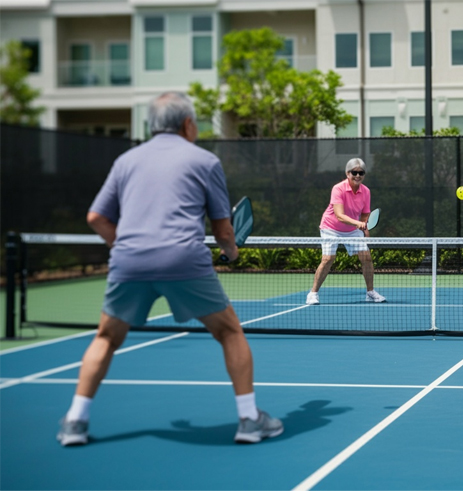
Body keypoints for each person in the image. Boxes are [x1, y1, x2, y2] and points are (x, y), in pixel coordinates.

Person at [57, 92, 283, 447]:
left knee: (105, 337)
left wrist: (124, 247)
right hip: (182, 260)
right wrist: (232, 252)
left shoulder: (126, 160)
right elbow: (223, 231)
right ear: (187, 125)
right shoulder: (204, 160)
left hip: (128, 262)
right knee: (229, 333)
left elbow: (96, 218)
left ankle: (74, 422)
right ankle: (250, 419)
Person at [306, 158, 386, 305]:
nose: (357, 175)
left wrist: (364, 228)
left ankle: (370, 292)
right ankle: (313, 293)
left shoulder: (366, 191)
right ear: (347, 173)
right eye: (354, 172)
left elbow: (365, 213)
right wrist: (359, 224)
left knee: (366, 258)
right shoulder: (338, 189)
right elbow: (339, 215)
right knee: (328, 259)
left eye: (361, 172)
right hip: (331, 228)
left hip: (352, 229)